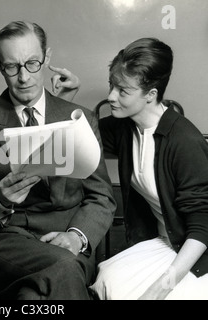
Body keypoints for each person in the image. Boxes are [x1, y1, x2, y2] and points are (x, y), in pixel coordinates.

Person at [0, 20, 116, 300]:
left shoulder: (81, 118)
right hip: (3, 242)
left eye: (32, 64)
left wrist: (77, 236)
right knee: (64, 268)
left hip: (66, 237)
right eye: (11, 67)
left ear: (47, 58)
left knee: (32, 297)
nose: (24, 77)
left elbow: (101, 195)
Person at [85, 38, 208, 299]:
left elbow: (203, 228)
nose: (110, 97)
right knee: (108, 281)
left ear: (151, 95)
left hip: (197, 252)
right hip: (167, 241)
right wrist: (65, 97)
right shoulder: (125, 127)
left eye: (122, 91)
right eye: (111, 85)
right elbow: (80, 135)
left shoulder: (184, 142)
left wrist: (159, 289)